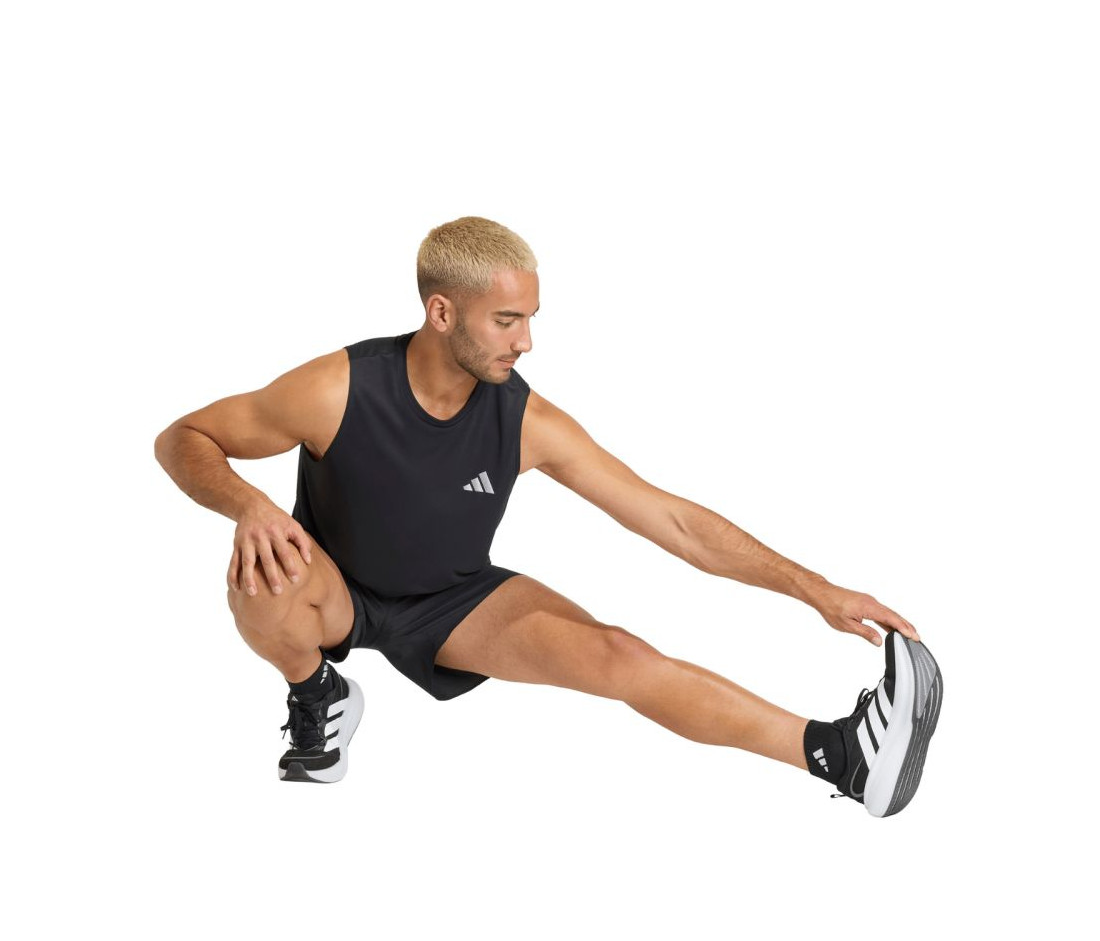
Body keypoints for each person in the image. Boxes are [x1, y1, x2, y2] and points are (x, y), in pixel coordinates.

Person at [154, 216, 942, 814]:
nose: (527, 341)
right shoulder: (337, 388)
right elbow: (183, 437)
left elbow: (673, 522)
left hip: (452, 602)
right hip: (330, 589)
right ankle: (316, 694)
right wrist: (249, 503)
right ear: (441, 312)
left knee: (620, 655)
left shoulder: (526, 421)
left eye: (532, 317)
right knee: (262, 573)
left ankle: (839, 756)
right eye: (506, 320)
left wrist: (817, 590)